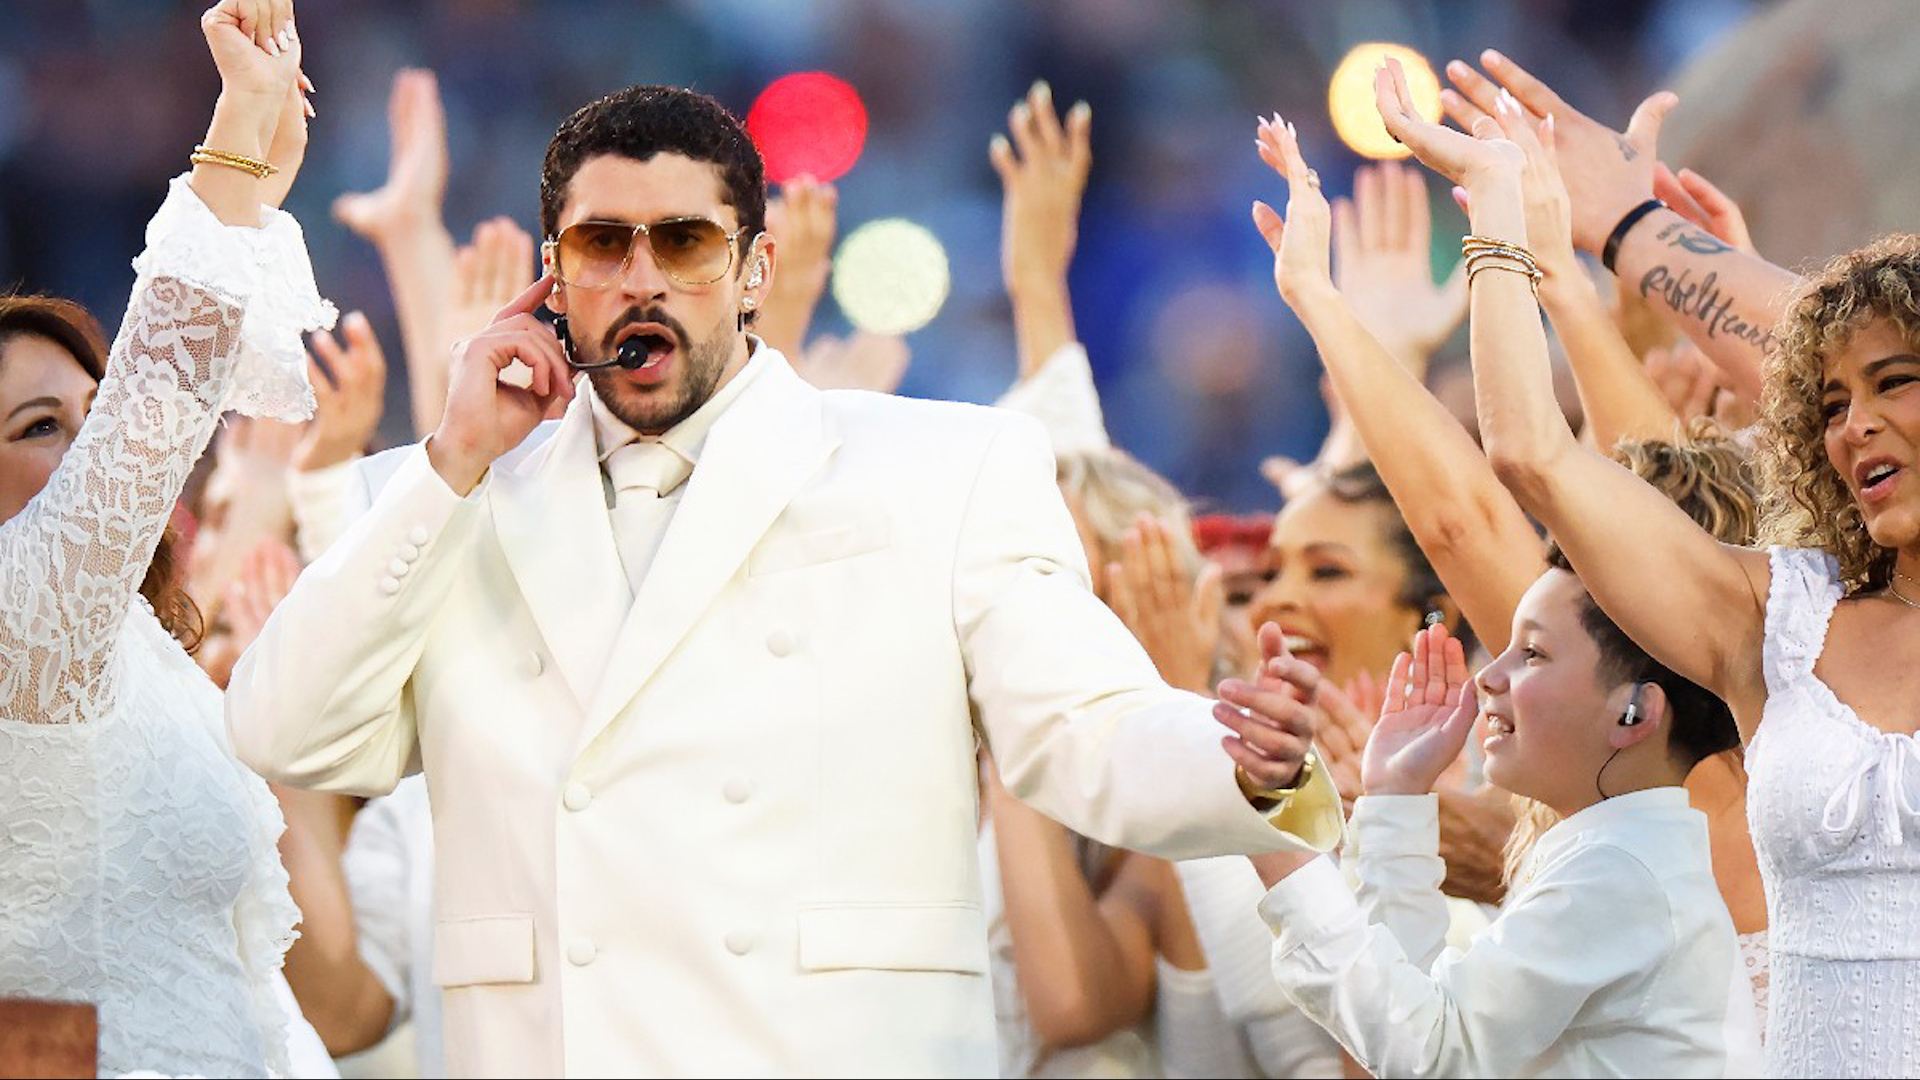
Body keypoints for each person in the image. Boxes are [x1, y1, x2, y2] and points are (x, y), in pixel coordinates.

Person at [226, 83, 1341, 1077]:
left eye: (687, 243)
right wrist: (456, 457)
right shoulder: (442, 496)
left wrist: (1237, 761)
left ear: (755, 269)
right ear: (552, 274)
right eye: (603, 243)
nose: (644, 278)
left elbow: (1082, 725)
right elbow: (283, 730)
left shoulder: (946, 465)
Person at [1378, 55, 1920, 1077]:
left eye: (1895, 385)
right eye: (1832, 407)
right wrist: (1501, 225)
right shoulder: (1775, 617)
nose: (1857, 427)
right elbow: (1531, 453)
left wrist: (1634, 226)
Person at [0, 3, 333, 1075]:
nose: (92, 451)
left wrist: (253, 199)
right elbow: (157, 405)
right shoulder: (18, 624)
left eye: (89, 420)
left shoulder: (138, 655)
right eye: (41, 427)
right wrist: (234, 141)